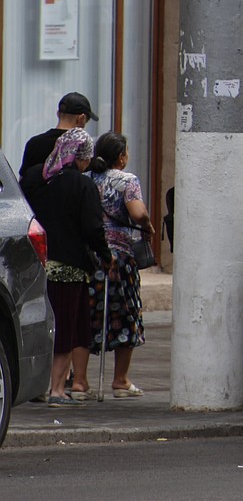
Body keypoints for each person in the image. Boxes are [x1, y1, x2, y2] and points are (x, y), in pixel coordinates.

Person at [19, 128, 113, 408]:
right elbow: (93, 228)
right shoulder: (81, 185)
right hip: (69, 268)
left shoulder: (35, 178)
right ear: (81, 157)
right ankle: (57, 389)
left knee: (37, 325)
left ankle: (36, 386)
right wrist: (106, 255)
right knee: (65, 327)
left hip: (35, 265)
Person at [68, 132, 153, 400]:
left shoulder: (85, 180)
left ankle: (79, 382)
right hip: (119, 260)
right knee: (124, 314)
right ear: (121, 157)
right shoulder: (127, 181)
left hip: (88, 258)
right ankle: (120, 380)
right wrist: (148, 226)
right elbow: (138, 213)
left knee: (84, 316)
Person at [21, 91, 98, 173]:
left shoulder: (34, 144)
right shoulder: (83, 147)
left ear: (58, 114)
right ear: (81, 119)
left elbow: (22, 180)